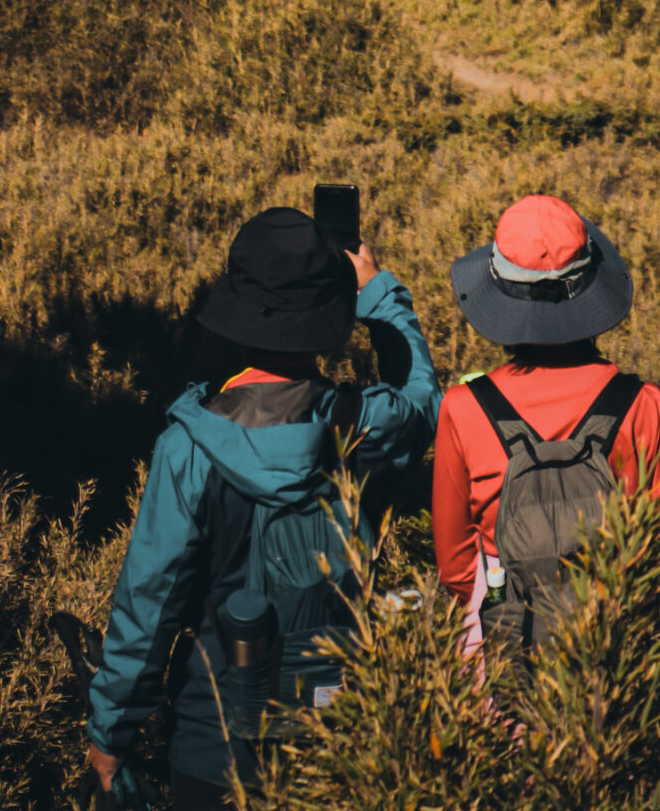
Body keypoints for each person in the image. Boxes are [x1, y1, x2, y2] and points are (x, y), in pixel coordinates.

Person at [85, 204, 436, 808]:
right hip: (339, 730)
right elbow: (423, 399)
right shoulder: (366, 427)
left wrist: (111, 733)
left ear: (236, 310)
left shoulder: (188, 445)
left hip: (214, 744)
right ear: (330, 313)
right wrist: (377, 291)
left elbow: (150, 604)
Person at [433, 192, 660, 650]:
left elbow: (455, 569)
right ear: (590, 290)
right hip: (614, 657)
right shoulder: (641, 406)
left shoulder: (463, 408)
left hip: (505, 658)